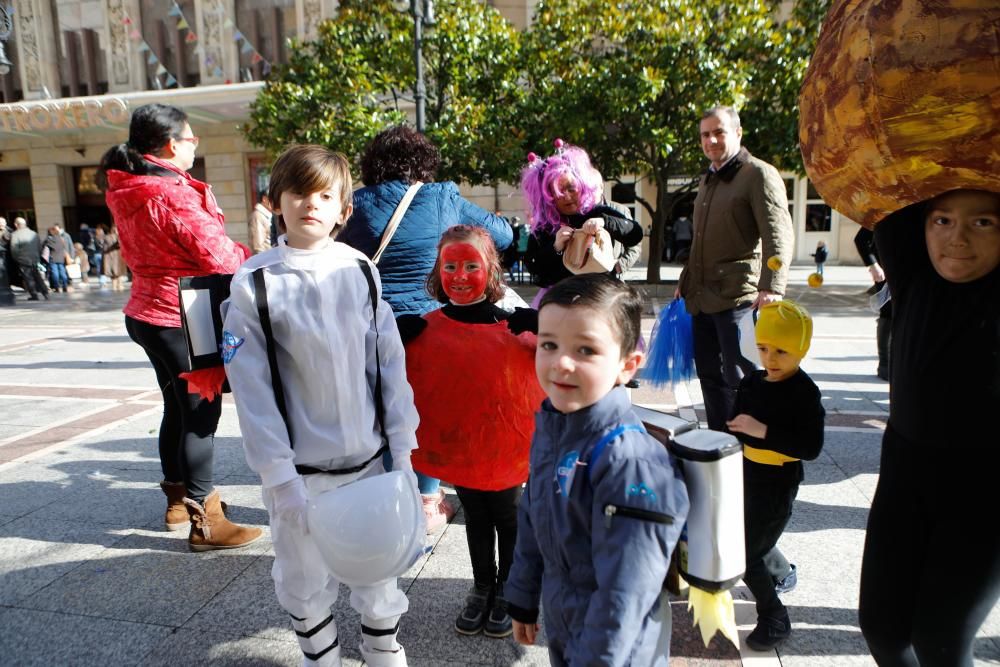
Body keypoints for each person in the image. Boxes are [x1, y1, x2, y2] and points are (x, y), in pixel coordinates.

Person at [222, 144, 418, 667]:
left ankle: (383, 651)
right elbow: (252, 387)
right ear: (277, 201)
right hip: (302, 472)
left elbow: (389, 365)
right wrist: (278, 475)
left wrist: (403, 445)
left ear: (343, 209)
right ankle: (321, 658)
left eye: (326, 195)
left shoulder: (359, 270)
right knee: (304, 578)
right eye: (300, 192)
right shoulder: (256, 282)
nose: (312, 204)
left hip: (370, 461)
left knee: (378, 572)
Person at [98, 103, 261, 551]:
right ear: (172, 145)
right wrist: (255, 256)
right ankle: (206, 522)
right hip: (182, 317)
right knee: (201, 414)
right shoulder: (170, 193)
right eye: (192, 139)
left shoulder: (128, 185)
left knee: (175, 405)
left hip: (146, 311)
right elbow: (222, 259)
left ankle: (176, 500)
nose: (195, 146)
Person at [505, 273, 689, 666]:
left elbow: (626, 591)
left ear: (628, 365)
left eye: (586, 350)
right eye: (549, 344)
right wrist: (522, 596)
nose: (561, 363)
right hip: (565, 615)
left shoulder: (630, 461)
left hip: (618, 648)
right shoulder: (555, 425)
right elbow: (533, 513)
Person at [341, 124, 513, 530]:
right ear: (424, 162)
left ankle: (389, 498)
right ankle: (426, 501)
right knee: (424, 412)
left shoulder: (354, 204)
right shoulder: (441, 197)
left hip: (373, 326)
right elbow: (502, 234)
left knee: (384, 411)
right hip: (429, 326)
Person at [858, 189, 1000, 666]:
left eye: (983, 223)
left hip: (986, 493)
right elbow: (885, 177)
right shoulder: (914, 271)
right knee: (882, 628)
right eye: (942, 221)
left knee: (940, 635)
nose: (957, 238)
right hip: (906, 475)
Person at [399, 225, 544, 639]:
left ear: (490, 269)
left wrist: (545, 329)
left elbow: (576, 352)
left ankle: (509, 592)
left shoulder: (516, 327)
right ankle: (482, 588)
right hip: (462, 448)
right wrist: (391, 338)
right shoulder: (424, 328)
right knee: (476, 517)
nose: (459, 275)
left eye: (469, 265)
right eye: (449, 266)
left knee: (507, 516)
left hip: (507, 449)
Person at [677, 106, 794, 431]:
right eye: (705, 134)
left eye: (719, 132)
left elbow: (777, 233)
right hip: (702, 299)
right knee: (710, 379)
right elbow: (700, 241)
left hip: (737, 299)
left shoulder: (758, 174)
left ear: (738, 133)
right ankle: (721, 444)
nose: (711, 140)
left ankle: (750, 451)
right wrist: (685, 282)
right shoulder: (708, 179)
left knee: (741, 378)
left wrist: (772, 286)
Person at [725, 300, 825, 650]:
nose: (770, 359)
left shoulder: (804, 392)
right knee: (752, 537)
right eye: (764, 348)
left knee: (747, 554)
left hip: (778, 484)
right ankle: (781, 572)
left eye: (782, 351)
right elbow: (737, 425)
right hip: (747, 476)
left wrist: (762, 430)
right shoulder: (753, 381)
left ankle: (774, 616)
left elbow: (810, 447)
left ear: (801, 350)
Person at [520, 142, 643, 306]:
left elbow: (635, 234)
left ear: (582, 186)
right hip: (561, 305)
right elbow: (536, 271)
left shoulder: (598, 212)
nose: (567, 196)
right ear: (548, 195)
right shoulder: (545, 227)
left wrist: (604, 222)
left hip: (601, 302)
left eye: (571, 188)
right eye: (558, 192)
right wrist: (555, 248)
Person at [854, 227, 891, 380]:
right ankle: (884, 365)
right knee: (888, 314)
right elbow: (861, 239)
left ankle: (897, 364)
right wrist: (873, 265)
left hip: (912, 273)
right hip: (887, 272)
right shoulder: (884, 207)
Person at [9, 218, 49, 301]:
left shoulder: (15, 235)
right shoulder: (34, 233)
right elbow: (40, 247)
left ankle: (34, 295)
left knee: (28, 278)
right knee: (37, 276)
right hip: (34, 259)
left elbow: (14, 249)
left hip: (23, 260)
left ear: (16, 225)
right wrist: (37, 256)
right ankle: (45, 293)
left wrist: (17, 258)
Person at [44, 226, 72, 293]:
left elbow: (45, 246)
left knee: (55, 273)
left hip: (53, 258)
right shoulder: (61, 239)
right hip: (61, 258)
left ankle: (57, 287)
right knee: (62, 272)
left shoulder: (49, 239)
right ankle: (65, 286)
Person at [102, 223, 128, 291]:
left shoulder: (120, 236)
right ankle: (115, 286)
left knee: (118, 272)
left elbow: (122, 244)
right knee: (114, 273)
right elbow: (105, 248)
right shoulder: (107, 237)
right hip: (111, 257)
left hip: (118, 256)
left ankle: (119, 285)